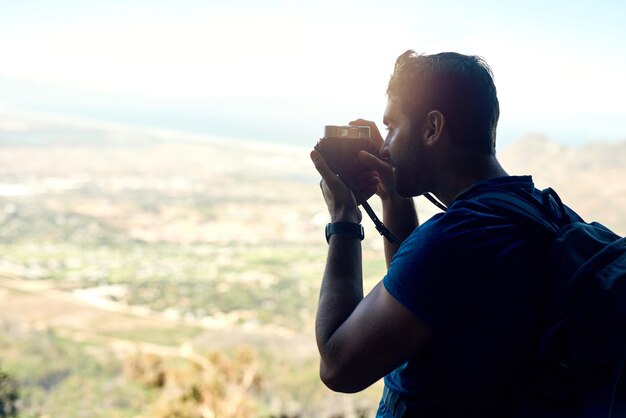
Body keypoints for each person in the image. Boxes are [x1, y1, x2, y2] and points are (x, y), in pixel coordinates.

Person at [310, 50, 550, 417]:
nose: (385, 145)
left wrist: (344, 218)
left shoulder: (459, 240)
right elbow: (421, 288)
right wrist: (391, 193)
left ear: (432, 129)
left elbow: (338, 364)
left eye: (391, 127)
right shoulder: (535, 211)